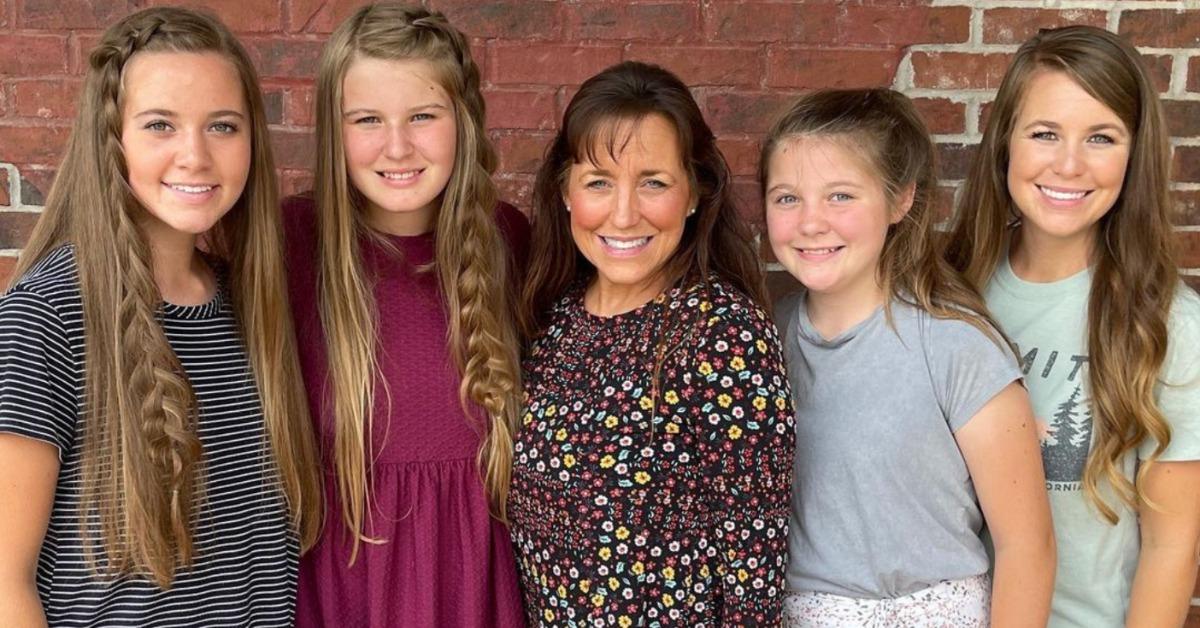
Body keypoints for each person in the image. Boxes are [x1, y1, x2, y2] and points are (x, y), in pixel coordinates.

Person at [0, 7, 322, 627]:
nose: (195, 156)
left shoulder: (250, 304)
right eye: (160, 126)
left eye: (222, 126)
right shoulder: (45, 318)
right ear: (111, 139)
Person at [511, 60, 796, 626]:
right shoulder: (552, 319)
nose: (622, 213)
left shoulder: (723, 336)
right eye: (598, 182)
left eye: (654, 183)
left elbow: (754, 571)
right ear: (565, 191)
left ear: (693, 194)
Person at [763, 89, 1055, 627]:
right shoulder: (761, 340)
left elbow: (1027, 547)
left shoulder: (957, 346)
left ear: (900, 201)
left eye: (841, 196)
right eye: (787, 198)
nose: (810, 222)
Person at [282, 4, 528, 626]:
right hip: (343, 587)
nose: (397, 146)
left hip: (479, 586)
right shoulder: (290, 243)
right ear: (334, 131)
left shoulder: (511, 241)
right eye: (367, 119)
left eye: (423, 115)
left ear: (464, 121)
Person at [946, 25, 1200, 628]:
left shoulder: (1169, 325)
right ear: (1006, 140)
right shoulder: (950, 293)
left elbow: (1172, 548)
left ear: (1135, 154)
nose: (1068, 164)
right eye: (1044, 133)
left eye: (1102, 138)